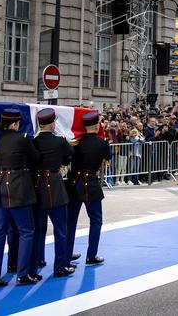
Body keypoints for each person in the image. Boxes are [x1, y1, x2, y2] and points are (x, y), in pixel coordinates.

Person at [0, 108, 40, 288]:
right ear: (15, 123)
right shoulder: (23, 138)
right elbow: (36, 159)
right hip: (17, 187)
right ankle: (22, 274)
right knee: (26, 230)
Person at [31, 109, 75, 277]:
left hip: (37, 186)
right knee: (60, 229)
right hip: (55, 186)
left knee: (38, 229)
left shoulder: (33, 142)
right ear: (51, 123)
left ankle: (36, 262)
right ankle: (60, 266)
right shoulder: (59, 141)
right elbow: (69, 155)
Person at [66, 111, 110, 266]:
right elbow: (108, 157)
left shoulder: (76, 142)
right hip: (90, 182)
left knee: (70, 221)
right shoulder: (102, 143)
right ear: (97, 125)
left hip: (74, 182)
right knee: (96, 220)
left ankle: (66, 254)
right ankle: (91, 256)